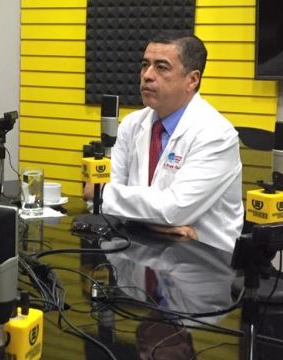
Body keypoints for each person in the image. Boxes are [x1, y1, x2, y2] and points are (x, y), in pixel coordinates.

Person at [83, 35, 243, 253]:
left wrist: (105, 196)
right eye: (145, 65)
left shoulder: (216, 135)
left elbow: (173, 209)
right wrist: (153, 221)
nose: (147, 75)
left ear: (192, 80)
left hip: (202, 259)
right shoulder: (131, 124)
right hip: (140, 250)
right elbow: (96, 204)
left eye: (161, 67)